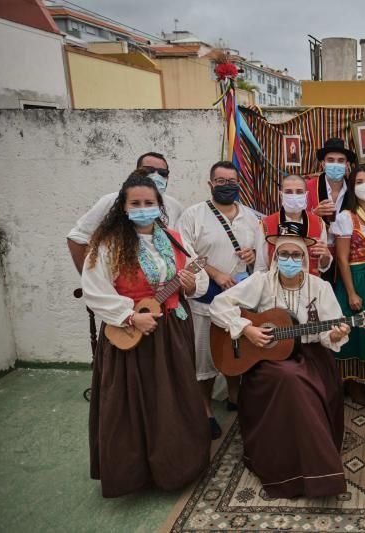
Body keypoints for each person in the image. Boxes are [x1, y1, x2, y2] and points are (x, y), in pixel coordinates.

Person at [81, 169, 210, 498]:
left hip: (172, 331)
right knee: (132, 404)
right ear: (123, 207)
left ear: (159, 204)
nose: (142, 207)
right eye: (135, 203)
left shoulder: (173, 239)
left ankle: (176, 467)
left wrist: (193, 283)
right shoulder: (108, 244)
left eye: (149, 202)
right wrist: (129, 317)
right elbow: (94, 290)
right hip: (133, 336)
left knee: (173, 400)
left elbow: (197, 274)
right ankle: (136, 474)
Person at [209, 222, 351, 498]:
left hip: (311, 356)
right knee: (289, 380)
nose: (289, 260)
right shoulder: (262, 281)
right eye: (283, 254)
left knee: (299, 380)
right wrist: (246, 329)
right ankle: (289, 469)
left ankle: (318, 470)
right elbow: (219, 306)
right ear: (275, 258)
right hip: (267, 360)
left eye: (296, 255)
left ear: (305, 258)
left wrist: (335, 334)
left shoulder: (319, 286)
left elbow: (328, 334)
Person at [176, 161, 266, 440]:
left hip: (239, 295)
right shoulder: (193, 216)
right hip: (206, 296)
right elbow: (184, 254)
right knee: (204, 355)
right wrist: (215, 273)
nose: (226, 185)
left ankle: (235, 395)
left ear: (239, 183)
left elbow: (261, 254)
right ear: (210, 184)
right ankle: (205, 408)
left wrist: (251, 257)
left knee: (235, 347)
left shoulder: (253, 217)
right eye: (220, 180)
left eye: (231, 180)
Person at [68, 152, 184, 273]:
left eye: (162, 173)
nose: (155, 175)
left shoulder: (175, 207)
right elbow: (77, 238)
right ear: (137, 172)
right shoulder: (111, 201)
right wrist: (89, 277)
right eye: (148, 170)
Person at [330, 165, 365, 390]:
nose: (364, 186)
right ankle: (353, 384)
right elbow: (342, 258)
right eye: (359, 182)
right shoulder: (345, 216)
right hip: (356, 277)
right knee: (356, 328)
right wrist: (351, 292)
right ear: (351, 187)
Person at [260, 174, 332, 276]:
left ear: (306, 195)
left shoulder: (318, 223)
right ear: (281, 195)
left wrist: (325, 256)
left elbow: (322, 266)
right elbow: (260, 267)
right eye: (289, 192)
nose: (294, 195)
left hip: (309, 286)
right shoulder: (266, 224)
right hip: (275, 287)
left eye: (299, 192)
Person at [308, 137, 357, 284]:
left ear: (347, 165)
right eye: (330, 160)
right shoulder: (309, 188)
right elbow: (294, 220)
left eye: (340, 160)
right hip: (316, 255)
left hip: (347, 256)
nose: (335, 164)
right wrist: (314, 215)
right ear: (323, 164)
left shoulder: (354, 190)